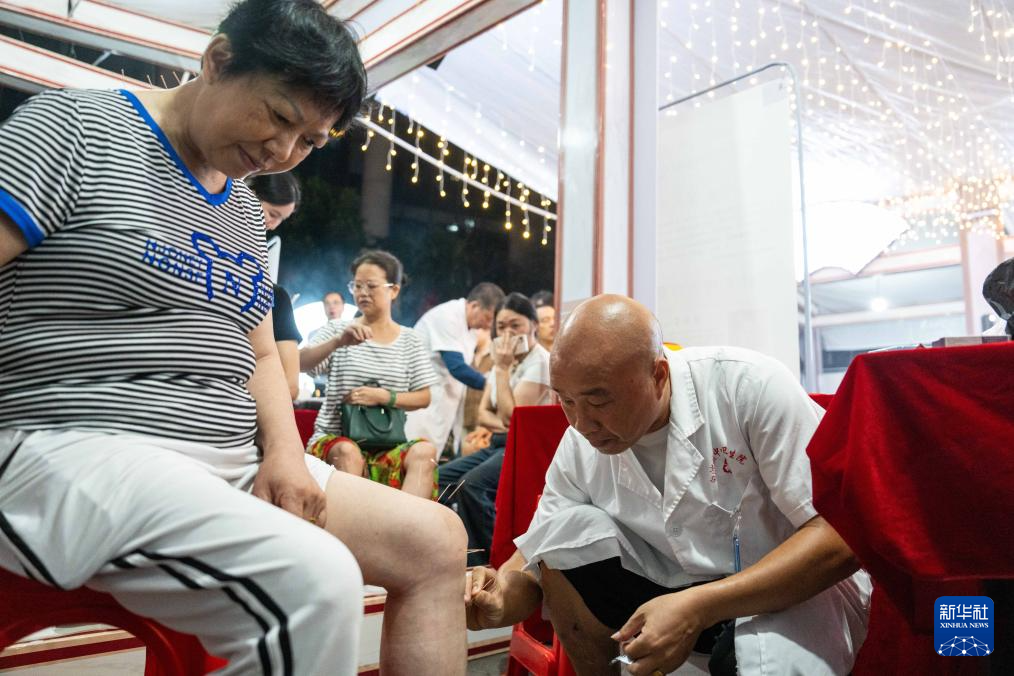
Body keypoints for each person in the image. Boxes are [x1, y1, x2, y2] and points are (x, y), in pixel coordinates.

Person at [0, 2, 468, 674]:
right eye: (278, 116)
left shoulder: (245, 211)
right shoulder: (75, 128)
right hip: (76, 442)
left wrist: (284, 452)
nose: (282, 152)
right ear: (218, 61)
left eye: (309, 142)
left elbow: (259, 352)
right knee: (314, 585)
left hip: (224, 460)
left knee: (437, 540)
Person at [465, 295, 871, 676]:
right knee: (567, 531)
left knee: (767, 664)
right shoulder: (580, 442)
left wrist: (699, 606)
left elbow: (840, 537)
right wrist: (500, 597)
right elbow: (537, 552)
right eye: (566, 401)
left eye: (599, 401)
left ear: (658, 375)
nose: (582, 423)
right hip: (669, 593)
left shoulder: (748, 388)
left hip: (788, 594)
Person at [300, 250, 441, 499]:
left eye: (371, 286)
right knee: (348, 452)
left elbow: (424, 397)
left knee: (425, 452)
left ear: (393, 290)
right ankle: (353, 521)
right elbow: (301, 363)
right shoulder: (339, 329)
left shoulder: (410, 340)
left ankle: (408, 521)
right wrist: (337, 342)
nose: (362, 292)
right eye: (357, 286)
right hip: (336, 439)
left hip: (387, 445)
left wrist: (384, 396)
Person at [440, 293, 551, 566]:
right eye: (501, 326)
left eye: (515, 325)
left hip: (525, 448)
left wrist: (501, 369)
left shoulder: (540, 361)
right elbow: (483, 413)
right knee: (441, 478)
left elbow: (512, 418)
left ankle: (489, 562)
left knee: (472, 485)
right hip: (500, 443)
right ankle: (446, 550)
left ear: (533, 325)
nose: (507, 333)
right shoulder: (505, 360)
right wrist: (502, 414)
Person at [405, 282, 505, 453]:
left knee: (431, 456)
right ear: (474, 306)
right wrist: (491, 385)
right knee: (414, 453)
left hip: (443, 403)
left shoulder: (471, 328)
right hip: (423, 399)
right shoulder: (447, 317)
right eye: (488, 318)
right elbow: (457, 367)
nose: (489, 326)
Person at [250, 171, 302, 399]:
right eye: (272, 214)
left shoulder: (275, 297)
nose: (272, 226)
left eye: (281, 219)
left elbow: (290, 386)